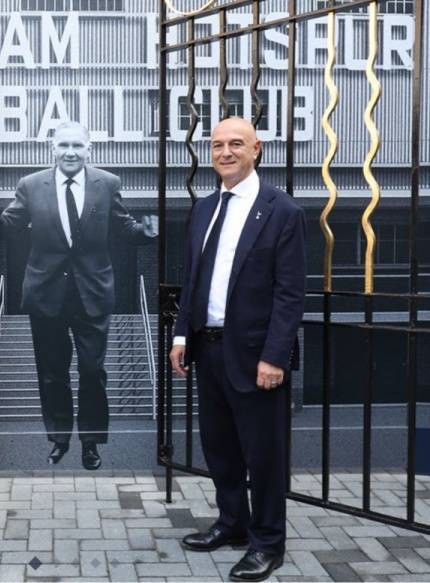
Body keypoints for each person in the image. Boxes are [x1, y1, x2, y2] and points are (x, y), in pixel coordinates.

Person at [169, 118, 306, 582]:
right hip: (208, 350)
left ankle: (267, 543)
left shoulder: (282, 211)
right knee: (221, 448)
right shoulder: (204, 208)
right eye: (217, 145)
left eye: (235, 144)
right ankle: (233, 524)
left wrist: (275, 357)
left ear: (256, 149)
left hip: (255, 357)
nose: (225, 152)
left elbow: (290, 294)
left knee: (263, 455)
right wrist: (182, 336)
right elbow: (192, 278)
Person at [0, 121, 157, 470]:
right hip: (46, 294)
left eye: (78, 145)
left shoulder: (107, 183)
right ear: (53, 148)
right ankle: (59, 439)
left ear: (89, 149)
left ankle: (91, 442)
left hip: (92, 293)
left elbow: (123, 227)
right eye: (64, 145)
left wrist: (147, 232)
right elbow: (9, 227)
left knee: (92, 371)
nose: (71, 152)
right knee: (52, 373)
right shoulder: (31, 185)